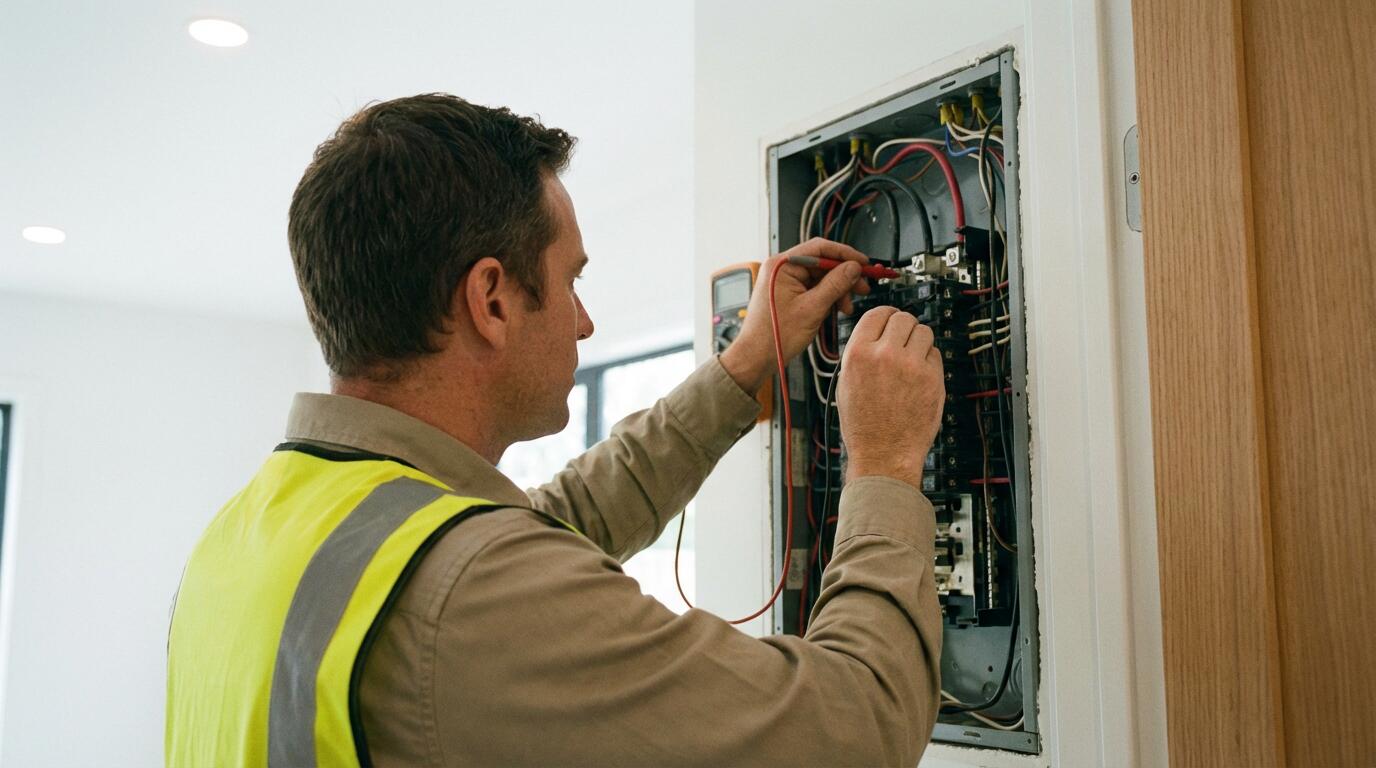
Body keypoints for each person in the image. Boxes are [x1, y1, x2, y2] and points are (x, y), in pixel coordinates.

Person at [165, 93, 946, 767]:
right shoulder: (470, 596)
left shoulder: (257, 534)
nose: (584, 321)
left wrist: (740, 372)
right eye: (572, 280)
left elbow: (557, 522)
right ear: (491, 301)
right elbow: (856, 727)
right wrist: (884, 462)